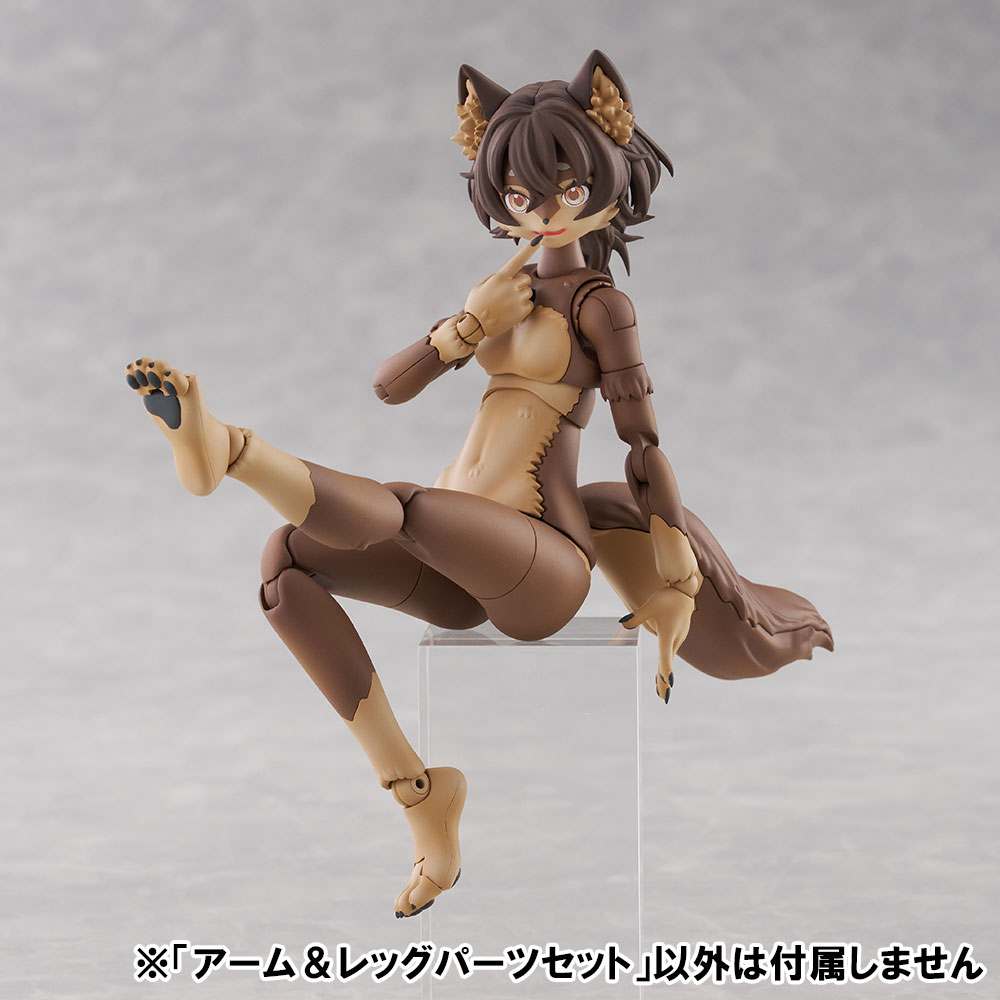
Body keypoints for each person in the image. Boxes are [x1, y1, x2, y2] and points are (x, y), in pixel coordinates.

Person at [125, 51, 832, 918]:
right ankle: (421, 799)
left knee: (410, 508)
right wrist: (466, 326)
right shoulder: (501, 293)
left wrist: (679, 575)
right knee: (286, 563)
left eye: (565, 188)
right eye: (519, 194)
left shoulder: (601, 307)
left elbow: (642, 443)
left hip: (544, 565)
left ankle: (234, 452)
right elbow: (389, 387)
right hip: (459, 558)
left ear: (606, 171)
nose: (542, 210)